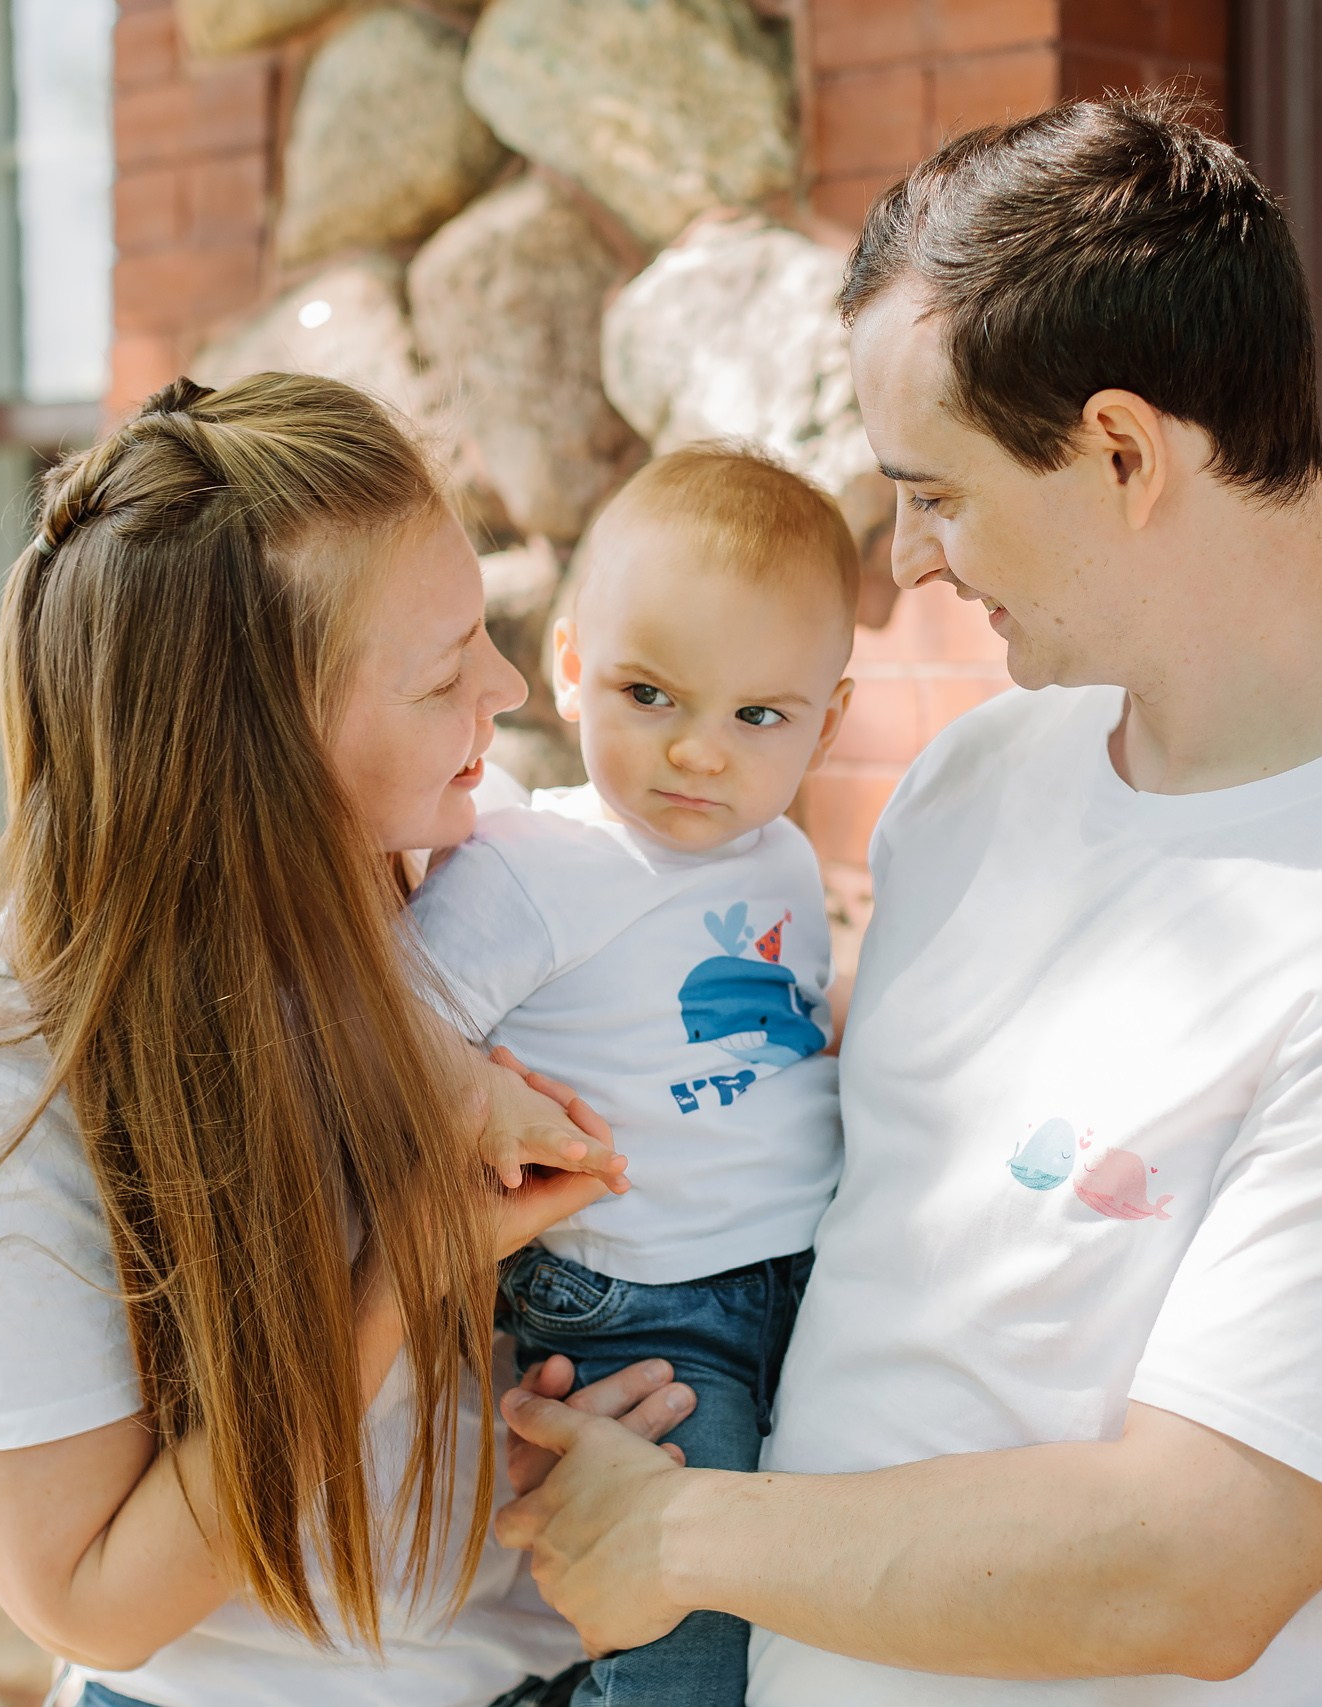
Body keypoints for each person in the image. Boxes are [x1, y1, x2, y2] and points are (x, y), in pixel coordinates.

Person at [491, 92, 1322, 1705]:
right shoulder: (976, 782)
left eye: (938, 492)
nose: (911, 565)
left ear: (1120, 449)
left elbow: (1196, 1560)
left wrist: (676, 1537)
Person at [0, 373, 696, 1707]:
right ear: (259, 754)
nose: (508, 683)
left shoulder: (487, 874)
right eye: (438, 677)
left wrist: (622, 1393)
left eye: (484, 629)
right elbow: (86, 1595)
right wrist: (409, 1251)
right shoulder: (8, 1079)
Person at [408, 445, 858, 1707]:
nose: (700, 754)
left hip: (810, 1282)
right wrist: (468, 1092)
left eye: (756, 715)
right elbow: (378, 1022)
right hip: (644, 1304)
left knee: (814, 1615)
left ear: (831, 717)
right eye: (650, 694)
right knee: (688, 1640)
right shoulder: (536, 864)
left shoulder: (776, 859)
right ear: (566, 667)